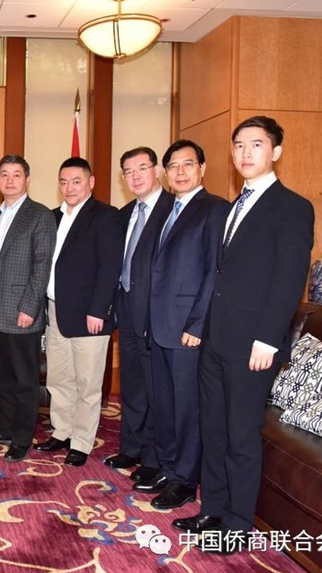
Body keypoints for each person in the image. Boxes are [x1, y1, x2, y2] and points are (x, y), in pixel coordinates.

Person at [174, 117, 314, 552]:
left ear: (276, 151)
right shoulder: (235, 206)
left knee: (240, 436)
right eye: (238, 145)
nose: (246, 152)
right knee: (213, 431)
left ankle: (237, 527)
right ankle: (212, 513)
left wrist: (268, 340)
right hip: (216, 340)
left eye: (256, 144)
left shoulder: (292, 206)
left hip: (253, 345)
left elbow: (289, 279)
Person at [133, 140, 229, 510]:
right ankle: (169, 468)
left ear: (202, 168)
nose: (180, 172)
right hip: (159, 327)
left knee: (187, 408)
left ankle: (186, 480)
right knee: (165, 404)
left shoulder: (214, 209)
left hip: (187, 330)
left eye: (188, 164)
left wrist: (197, 324)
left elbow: (214, 271)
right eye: (173, 166)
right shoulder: (167, 210)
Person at [34, 157, 123, 467]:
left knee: (87, 382)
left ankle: (81, 441)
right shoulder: (52, 217)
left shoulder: (106, 216)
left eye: (76, 181)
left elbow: (109, 267)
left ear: (91, 182)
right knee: (59, 378)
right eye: (64, 182)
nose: (69, 187)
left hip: (89, 314)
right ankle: (62, 431)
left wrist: (100, 309)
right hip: (55, 310)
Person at [0, 155, 56, 462]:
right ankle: (4, 427)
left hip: (22, 310)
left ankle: (22, 438)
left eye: (16, 174)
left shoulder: (39, 215)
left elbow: (42, 264)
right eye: (4, 174)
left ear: (27, 179)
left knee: (24, 379)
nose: (10, 180)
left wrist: (30, 307)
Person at [104, 147, 174, 482]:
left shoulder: (173, 209)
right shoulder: (125, 214)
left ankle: (153, 457)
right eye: (128, 172)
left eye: (141, 168)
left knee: (155, 386)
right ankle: (131, 447)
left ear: (156, 170)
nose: (135, 177)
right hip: (128, 308)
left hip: (157, 313)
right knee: (132, 383)